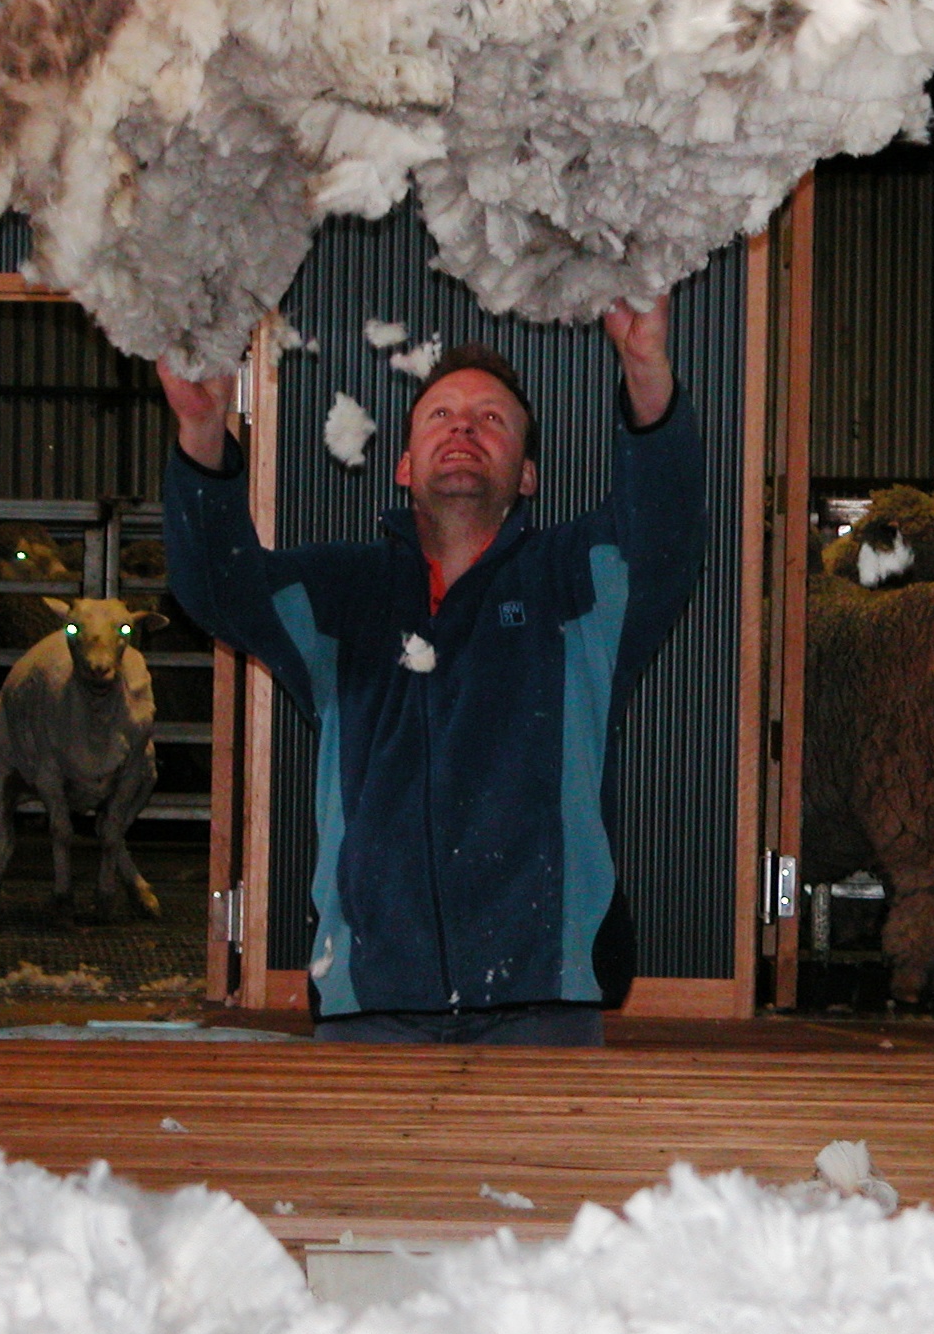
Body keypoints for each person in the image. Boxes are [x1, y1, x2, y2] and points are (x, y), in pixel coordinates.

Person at [159, 298, 704, 1044]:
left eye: (493, 419)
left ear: (529, 475)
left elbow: (666, 528)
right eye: (441, 414)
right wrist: (199, 436)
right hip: (370, 1003)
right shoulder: (342, 597)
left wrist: (646, 370)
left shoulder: (580, 585)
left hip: (544, 1001)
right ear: (404, 465)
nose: (465, 427)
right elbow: (221, 589)